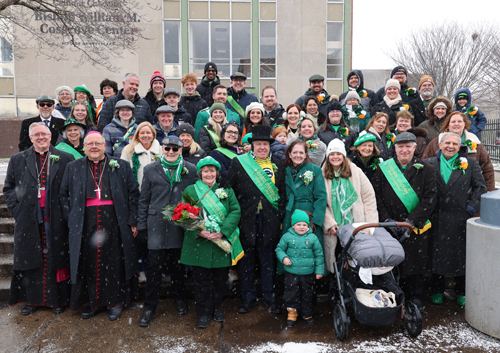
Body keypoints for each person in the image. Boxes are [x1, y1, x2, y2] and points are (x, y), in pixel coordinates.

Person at [60, 131, 139, 321]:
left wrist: (132, 221)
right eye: (89, 144)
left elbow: (134, 194)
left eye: (97, 143)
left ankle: (115, 302)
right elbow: (63, 195)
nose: (93, 147)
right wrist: (71, 218)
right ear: (84, 147)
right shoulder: (73, 167)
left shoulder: (121, 165)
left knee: (114, 262)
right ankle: (94, 303)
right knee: (89, 263)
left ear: (105, 145)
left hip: (115, 220)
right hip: (85, 222)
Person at [4, 122, 74, 315]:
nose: (41, 137)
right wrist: (17, 210)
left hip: (56, 218)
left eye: (44, 134)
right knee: (31, 259)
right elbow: (9, 188)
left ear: (50, 136)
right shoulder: (18, 159)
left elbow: (71, 188)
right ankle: (32, 300)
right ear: (31, 138)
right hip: (28, 217)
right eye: (37, 135)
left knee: (55, 257)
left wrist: (66, 211)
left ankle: (57, 300)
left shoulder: (65, 158)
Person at [372, 132, 437, 311]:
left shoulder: (426, 169)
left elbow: (430, 197)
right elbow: (376, 196)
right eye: (401, 146)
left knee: (415, 262)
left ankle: (415, 296)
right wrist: (387, 220)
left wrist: (412, 220)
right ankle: (393, 293)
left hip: (415, 226)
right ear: (395, 148)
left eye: (408, 146)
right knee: (391, 262)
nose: (404, 150)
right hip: (390, 226)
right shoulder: (384, 168)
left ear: (414, 148)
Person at [137, 136, 197, 327]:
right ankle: (150, 306)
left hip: (179, 224)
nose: (170, 152)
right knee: (154, 268)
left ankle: (179, 298)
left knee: (178, 266)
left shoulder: (191, 170)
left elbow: (193, 198)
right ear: (162, 149)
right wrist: (142, 226)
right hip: (156, 223)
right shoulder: (150, 169)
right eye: (167, 148)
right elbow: (144, 199)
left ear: (181, 150)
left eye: (175, 149)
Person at [226, 125, 286, 314]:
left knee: (268, 260)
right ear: (252, 145)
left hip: (270, 220)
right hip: (246, 220)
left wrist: (280, 215)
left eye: (265, 144)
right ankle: (248, 297)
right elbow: (228, 189)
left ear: (269, 146)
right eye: (258, 144)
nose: (262, 147)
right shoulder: (239, 163)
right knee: (247, 261)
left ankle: (269, 296)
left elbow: (283, 194)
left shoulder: (278, 163)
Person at [180, 157, 242, 328]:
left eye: (212, 170)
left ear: (217, 173)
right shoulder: (191, 190)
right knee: (202, 281)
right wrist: (200, 232)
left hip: (220, 241)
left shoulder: (226, 190)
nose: (209, 174)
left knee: (219, 280)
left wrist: (223, 230)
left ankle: (216, 308)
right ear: (200, 173)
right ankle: (204, 312)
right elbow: (182, 214)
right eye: (206, 171)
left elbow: (235, 210)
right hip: (200, 242)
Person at [426, 132, 486, 307]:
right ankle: (436, 289)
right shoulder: (429, 164)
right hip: (436, 216)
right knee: (436, 254)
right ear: (440, 145)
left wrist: (472, 207)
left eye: (454, 143)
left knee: (460, 255)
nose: (450, 146)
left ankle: (461, 291)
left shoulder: (471, 163)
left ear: (460, 147)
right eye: (447, 143)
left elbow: (480, 187)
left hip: (460, 217)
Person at [322, 139, 379, 274]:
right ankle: (337, 289)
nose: (335, 157)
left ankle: (354, 289)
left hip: (356, 226)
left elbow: (369, 198)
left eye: (338, 154)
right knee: (337, 263)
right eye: (332, 154)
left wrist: (370, 226)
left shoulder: (356, 171)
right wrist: (330, 223)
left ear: (343, 155)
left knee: (356, 263)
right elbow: (320, 203)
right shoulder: (322, 173)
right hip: (335, 229)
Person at [121, 122, 162, 283]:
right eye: (142, 133)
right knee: (141, 236)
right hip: (138, 200)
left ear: (153, 134)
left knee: (157, 237)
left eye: (148, 133)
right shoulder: (129, 151)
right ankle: (142, 269)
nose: (145, 136)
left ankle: (159, 270)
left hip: (158, 199)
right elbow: (125, 175)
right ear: (137, 135)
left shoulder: (161, 150)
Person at [421, 111, 495, 191]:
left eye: (459, 121)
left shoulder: (476, 143)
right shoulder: (435, 143)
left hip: (467, 193)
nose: (456, 124)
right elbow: (424, 165)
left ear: (464, 124)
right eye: (453, 122)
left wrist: (489, 192)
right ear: (448, 125)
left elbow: (487, 168)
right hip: (440, 191)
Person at [276, 209, 324, 327]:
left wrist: (319, 271)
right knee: (291, 294)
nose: (301, 227)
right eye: (298, 224)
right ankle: (292, 314)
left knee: (308, 294)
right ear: (293, 225)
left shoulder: (312, 238)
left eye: (304, 225)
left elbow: (319, 255)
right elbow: (279, 249)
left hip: (308, 273)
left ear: (308, 226)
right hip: (291, 273)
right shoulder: (287, 236)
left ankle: (307, 314)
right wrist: (284, 258)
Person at [282, 140, 327, 245]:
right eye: (295, 152)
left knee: (310, 250)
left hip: (308, 215)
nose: (298, 155)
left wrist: (316, 221)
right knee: (289, 248)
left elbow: (321, 197)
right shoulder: (283, 170)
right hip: (289, 213)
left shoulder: (315, 170)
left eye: (301, 153)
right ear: (289, 154)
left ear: (306, 154)